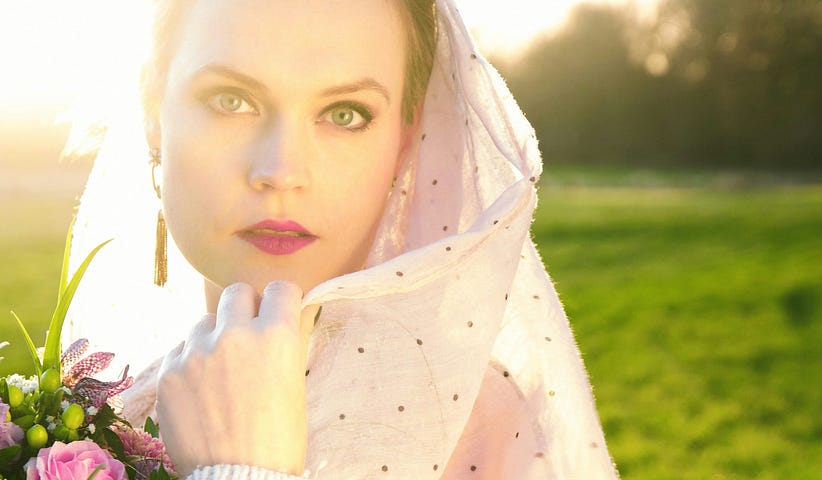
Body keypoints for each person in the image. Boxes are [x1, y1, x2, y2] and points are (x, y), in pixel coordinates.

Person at [63, 0, 617, 477]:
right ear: (152, 111)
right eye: (231, 100)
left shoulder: (490, 434)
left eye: (345, 114)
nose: (281, 169)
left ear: (405, 138)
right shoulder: (72, 424)